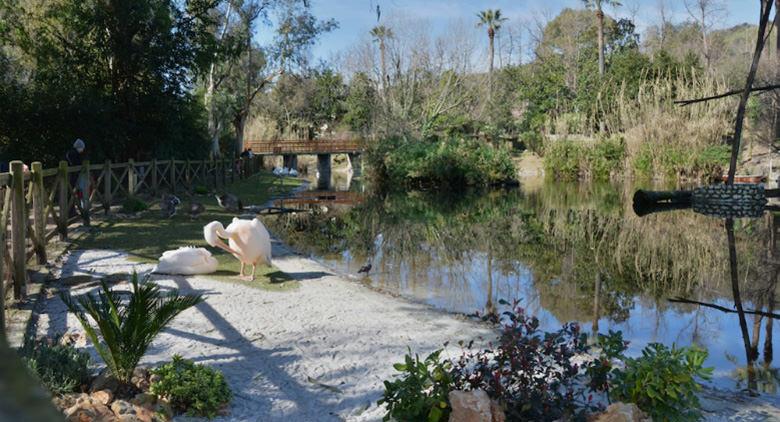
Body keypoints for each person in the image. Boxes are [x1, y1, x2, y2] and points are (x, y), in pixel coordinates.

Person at [65, 139, 89, 222]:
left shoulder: (73, 153)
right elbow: (75, 164)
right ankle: (70, 212)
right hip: (72, 176)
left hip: (73, 176)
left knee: (73, 194)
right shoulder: (73, 154)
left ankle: (72, 211)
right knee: (72, 194)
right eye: (82, 148)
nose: (83, 150)